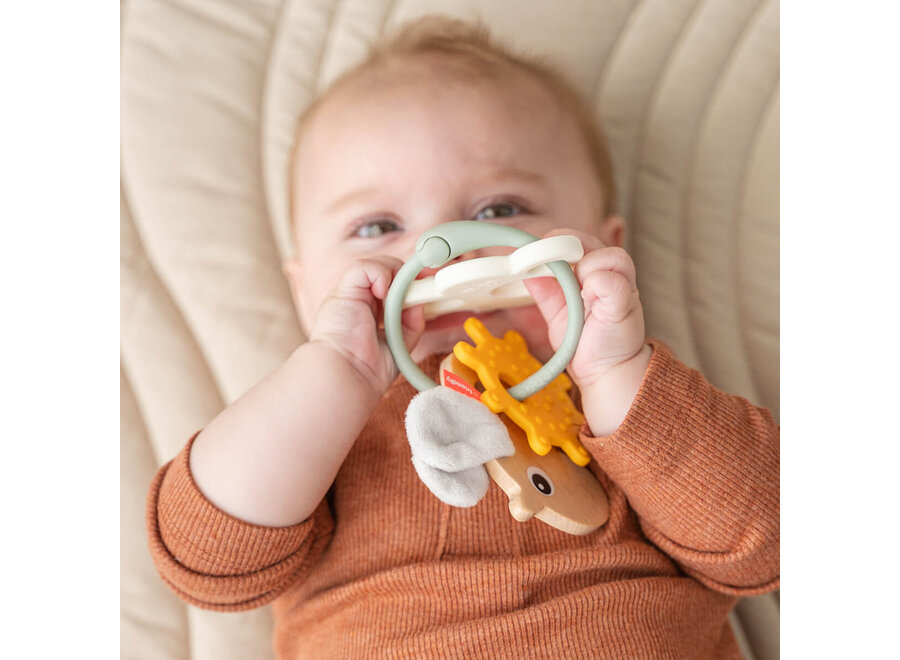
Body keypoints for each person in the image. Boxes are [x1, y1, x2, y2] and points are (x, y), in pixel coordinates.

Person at [146, 16, 779, 658]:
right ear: (305, 288)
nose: (443, 254)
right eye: (377, 226)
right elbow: (206, 562)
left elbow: (768, 541)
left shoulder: (627, 402)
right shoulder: (327, 425)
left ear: (604, 247)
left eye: (499, 212)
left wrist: (618, 373)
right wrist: (331, 374)